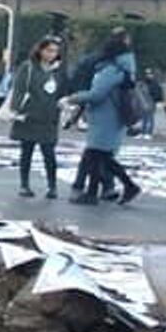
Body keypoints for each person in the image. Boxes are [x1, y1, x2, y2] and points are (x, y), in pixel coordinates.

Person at [65, 28, 142, 206]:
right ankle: (100, 191)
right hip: (112, 118)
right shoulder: (125, 68)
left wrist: (74, 97)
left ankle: (126, 186)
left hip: (105, 118)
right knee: (99, 156)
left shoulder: (111, 71)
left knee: (98, 155)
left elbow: (97, 94)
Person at [5, 36, 67, 200]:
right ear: (40, 50)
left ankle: (52, 186)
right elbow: (19, 89)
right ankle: (24, 185)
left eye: (55, 51)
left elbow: (64, 90)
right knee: (27, 151)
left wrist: (65, 103)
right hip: (29, 115)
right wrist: (15, 110)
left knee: (49, 153)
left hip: (49, 117)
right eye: (49, 50)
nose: (52, 54)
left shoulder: (59, 70)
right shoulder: (28, 67)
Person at [140, 67, 164, 138]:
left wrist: (159, 101)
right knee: (144, 118)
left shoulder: (155, 83)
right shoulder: (143, 83)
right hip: (144, 102)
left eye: (150, 73)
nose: (148, 75)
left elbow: (159, 93)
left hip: (152, 102)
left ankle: (149, 133)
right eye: (146, 74)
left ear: (152, 75)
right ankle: (143, 133)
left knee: (150, 118)